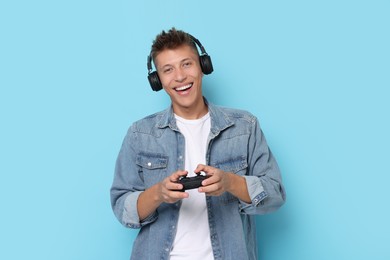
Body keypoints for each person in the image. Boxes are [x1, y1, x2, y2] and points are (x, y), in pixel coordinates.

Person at [110, 27, 286, 260]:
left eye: (187, 64)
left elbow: (274, 194)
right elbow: (122, 208)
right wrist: (158, 194)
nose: (180, 77)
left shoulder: (245, 126)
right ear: (158, 80)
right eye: (168, 70)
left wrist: (230, 182)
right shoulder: (139, 134)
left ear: (203, 67)